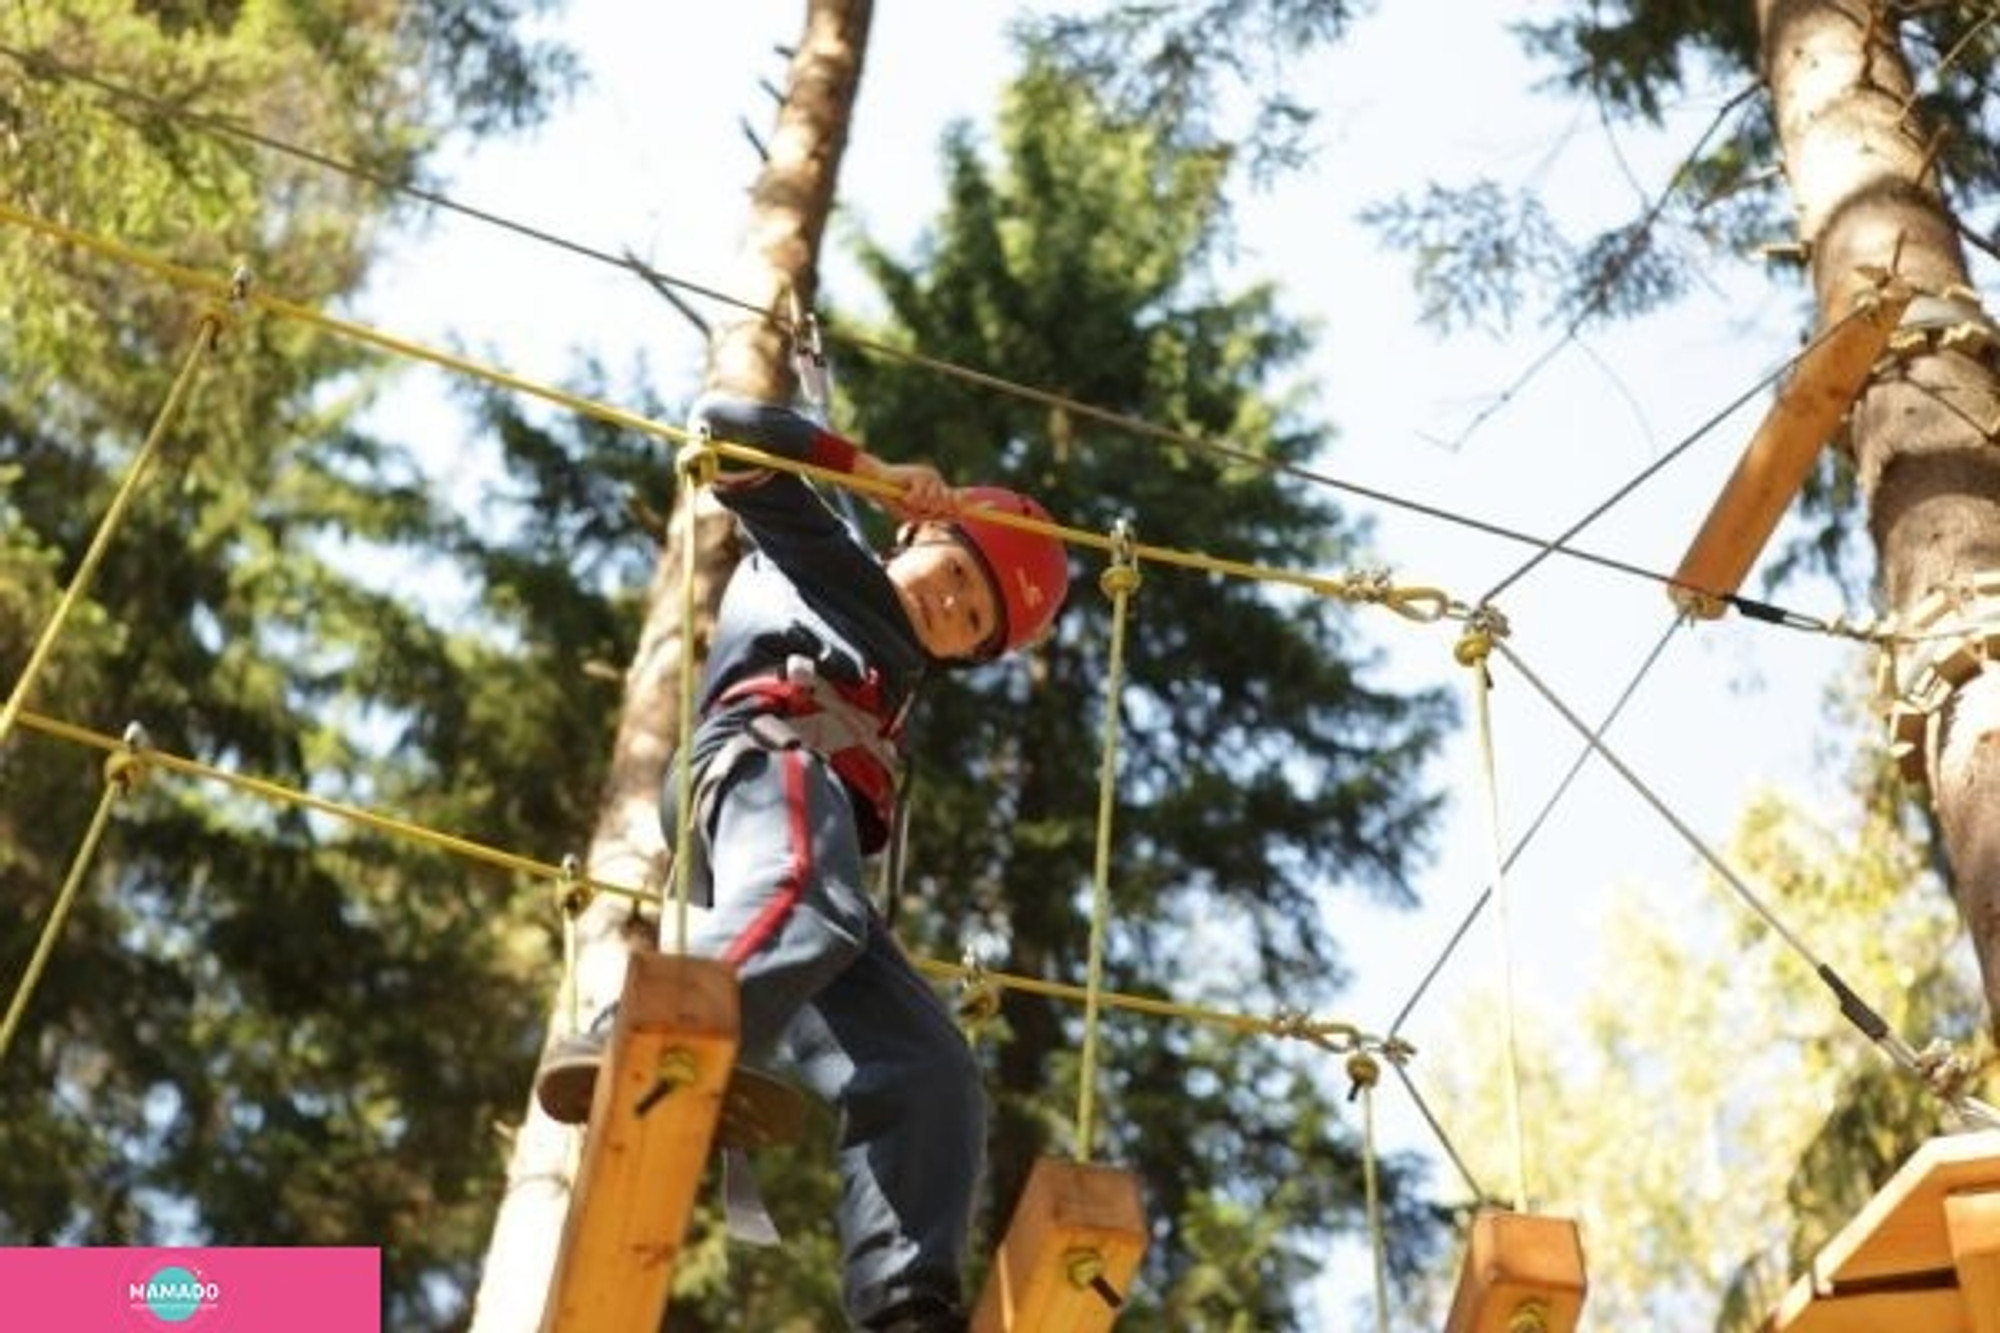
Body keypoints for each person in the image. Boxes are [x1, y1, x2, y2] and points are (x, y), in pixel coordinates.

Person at [534, 392, 1070, 1333]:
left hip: (797, 853)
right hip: (762, 772)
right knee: (809, 900)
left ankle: (906, 1301)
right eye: (958, 572)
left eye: (974, 619)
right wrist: (868, 471)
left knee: (931, 1067)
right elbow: (731, 428)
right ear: (919, 531)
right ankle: (638, 1029)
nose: (952, 606)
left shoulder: (895, 677)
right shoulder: (819, 550)